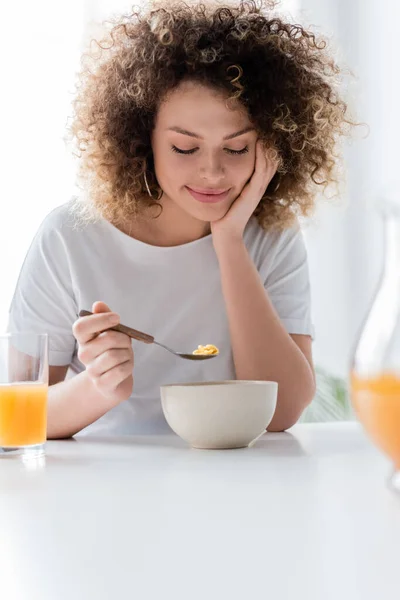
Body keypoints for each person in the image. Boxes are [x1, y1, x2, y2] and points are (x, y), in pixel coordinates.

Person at [8, 0, 353, 438]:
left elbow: (281, 410)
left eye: (236, 149)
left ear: (268, 147)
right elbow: (15, 417)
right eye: (185, 148)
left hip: (237, 484)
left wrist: (229, 241)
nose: (212, 172)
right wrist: (96, 388)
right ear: (141, 138)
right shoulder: (69, 236)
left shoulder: (269, 234)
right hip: (100, 489)